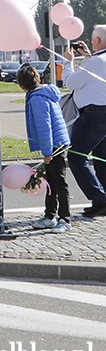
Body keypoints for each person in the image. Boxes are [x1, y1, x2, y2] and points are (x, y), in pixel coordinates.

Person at [16, 64, 72, 232]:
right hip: (57, 142)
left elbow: (44, 127)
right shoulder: (43, 94)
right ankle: (50, 216)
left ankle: (65, 219)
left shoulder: (36, 99)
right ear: (38, 79)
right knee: (51, 182)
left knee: (59, 183)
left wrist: (47, 152)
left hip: (54, 145)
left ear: (21, 85)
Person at [63, 26, 106, 218]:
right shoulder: (97, 61)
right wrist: (89, 56)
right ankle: (101, 201)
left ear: (97, 41)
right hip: (102, 113)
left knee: (76, 157)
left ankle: (100, 198)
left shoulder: (96, 62)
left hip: (93, 114)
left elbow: (71, 82)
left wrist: (67, 63)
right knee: (101, 159)